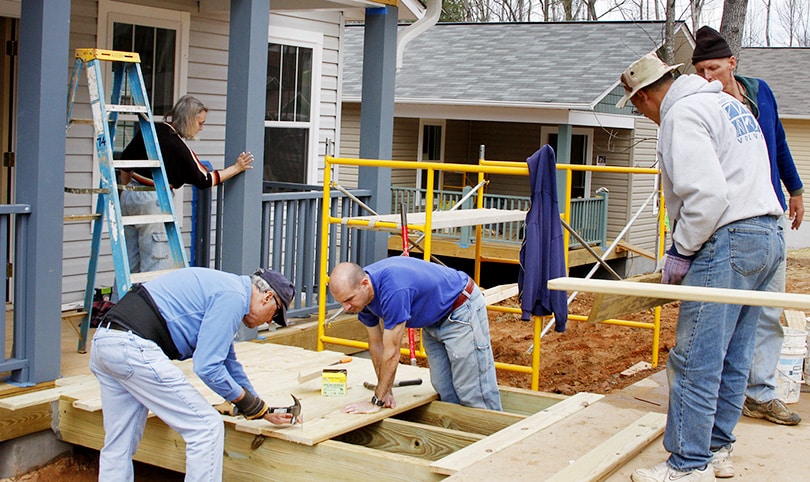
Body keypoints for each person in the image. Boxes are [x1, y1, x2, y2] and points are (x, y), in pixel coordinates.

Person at [616, 53, 784, 482]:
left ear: (643, 98)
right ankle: (716, 448)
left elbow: (707, 197)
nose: (646, 116)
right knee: (734, 353)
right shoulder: (726, 102)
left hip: (728, 238)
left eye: (639, 109)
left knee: (695, 358)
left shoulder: (683, 114)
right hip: (766, 235)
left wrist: (682, 249)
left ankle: (688, 464)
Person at [692, 25, 805, 429]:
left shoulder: (759, 93)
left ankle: (760, 393)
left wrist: (795, 189)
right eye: (701, 71)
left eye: (714, 68)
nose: (708, 76)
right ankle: (720, 394)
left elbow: (779, 143)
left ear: (732, 63)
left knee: (768, 309)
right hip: (730, 224)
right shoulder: (705, 106)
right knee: (722, 317)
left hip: (769, 216)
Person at [90, 267, 299, 481]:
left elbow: (228, 362)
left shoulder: (228, 288)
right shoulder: (234, 297)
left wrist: (261, 409)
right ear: (267, 297)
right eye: (275, 314)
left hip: (106, 341)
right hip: (133, 346)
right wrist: (244, 400)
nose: (270, 322)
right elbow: (208, 367)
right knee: (206, 428)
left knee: (119, 445)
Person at [328, 257, 502, 413]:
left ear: (365, 284)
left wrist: (377, 401)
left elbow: (392, 353)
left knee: (473, 390)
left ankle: (493, 434)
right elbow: (376, 345)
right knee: (444, 387)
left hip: (460, 308)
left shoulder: (393, 290)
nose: (346, 308)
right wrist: (385, 391)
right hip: (433, 319)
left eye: (349, 299)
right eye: (342, 302)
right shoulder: (362, 296)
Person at [120, 95, 254, 274]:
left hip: (129, 196)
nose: (201, 128)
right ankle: (148, 294)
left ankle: (123, 294)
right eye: (200, 123)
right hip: (153, 199)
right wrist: (236, 168)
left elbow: (124, 162)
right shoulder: (177, 145)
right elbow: (205, 179)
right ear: (188, 120)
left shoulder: (151, 130)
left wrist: (127, 190)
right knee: (155, 261)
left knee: (129, 259)